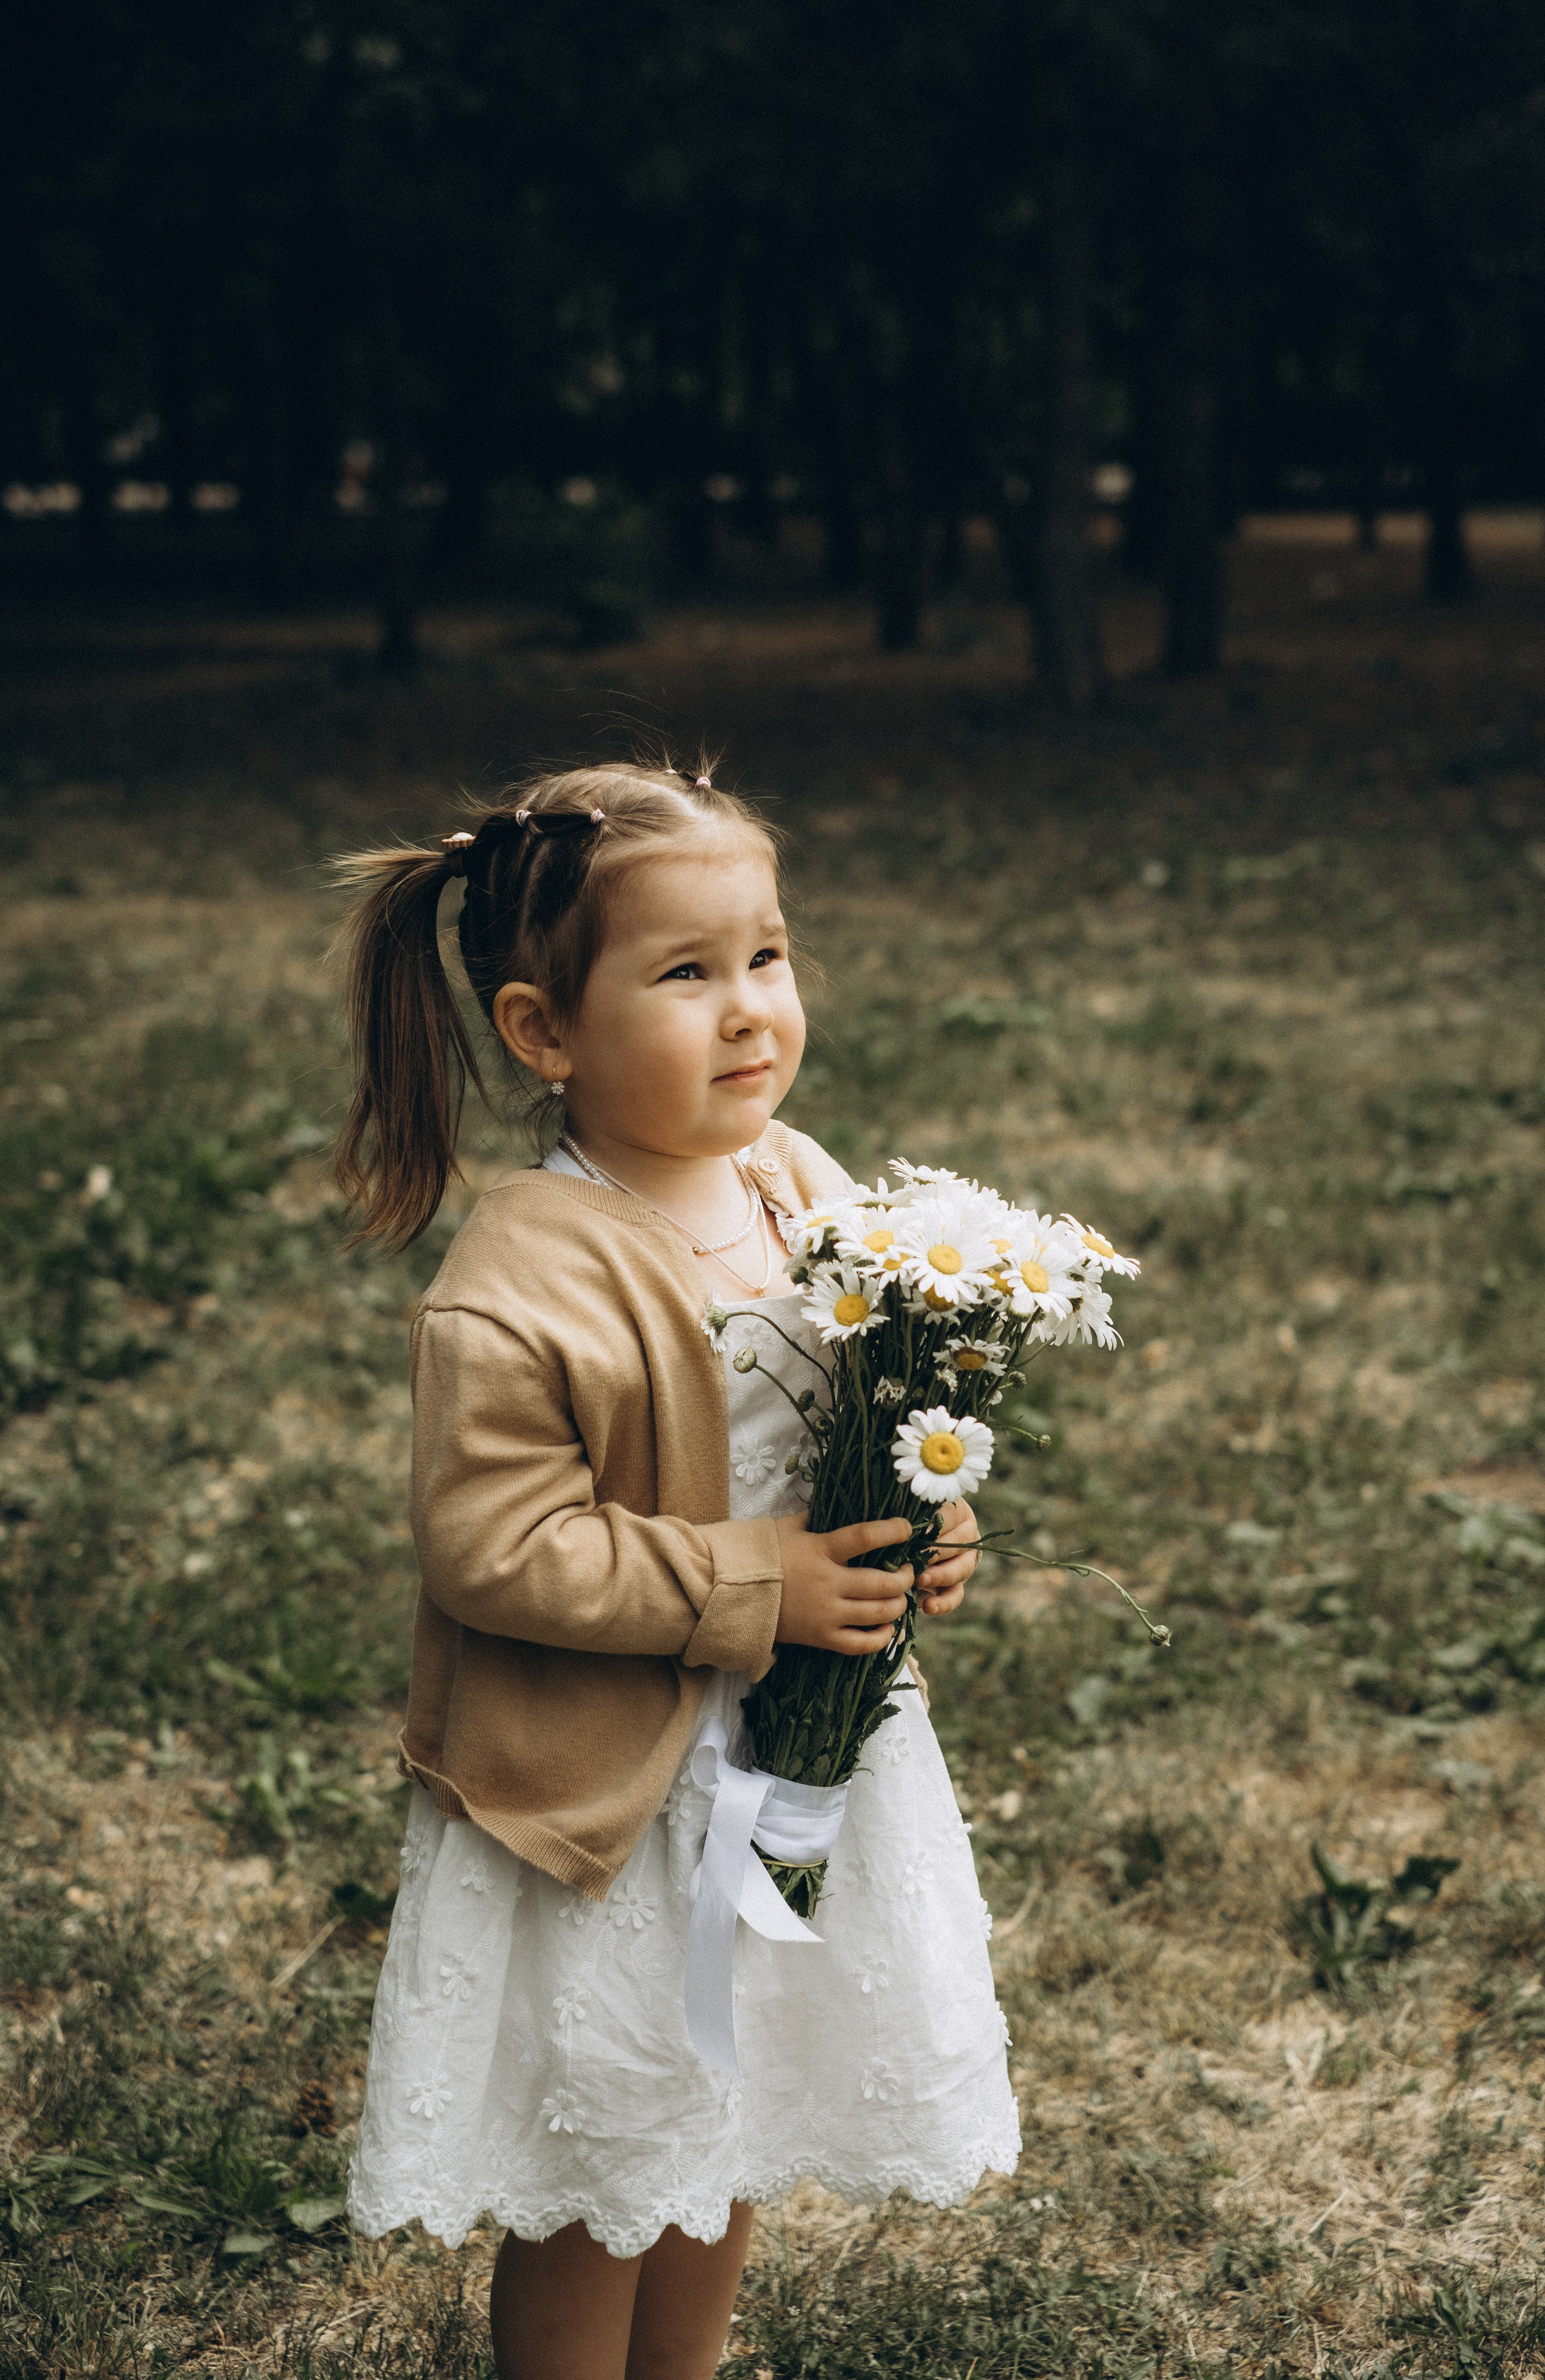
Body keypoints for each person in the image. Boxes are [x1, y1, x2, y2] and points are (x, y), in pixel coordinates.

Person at [332, 760, 1019, 2380]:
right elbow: (496, 1546)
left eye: (768, 958)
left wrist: (923, 1520)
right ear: (542, 1034)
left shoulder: (800, 1187)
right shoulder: (521, 1276)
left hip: (797, 1765)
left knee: (738, 2098)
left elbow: (867, 1414)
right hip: (619, 1807)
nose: (749, 1012)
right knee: (608, 2160)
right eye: (687, 973)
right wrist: (749, 1585)